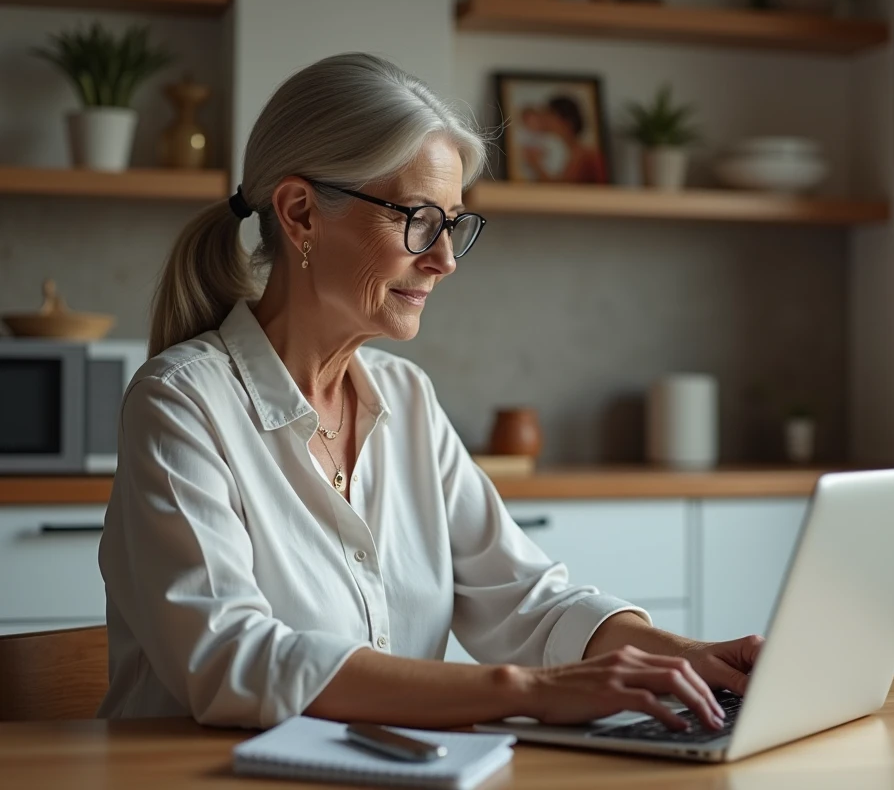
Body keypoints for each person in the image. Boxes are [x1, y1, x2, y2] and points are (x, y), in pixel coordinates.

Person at [97, 53, 759, 731]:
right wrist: (526, 690)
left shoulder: (406, 398)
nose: (443, 260)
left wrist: (699, 659)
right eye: (417, 218)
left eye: (453, 224)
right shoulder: (180, 404)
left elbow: (527, 602)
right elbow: (232, 659)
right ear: (299, 213)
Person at [521, 95, 608, 184]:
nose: (546, 122)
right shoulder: (565, 153)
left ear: (567, 121)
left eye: (551, 116)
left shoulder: (584, 155)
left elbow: (562, 191)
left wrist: (536, 165)